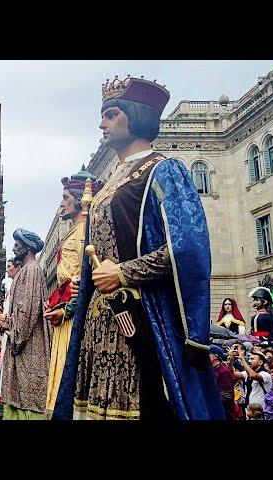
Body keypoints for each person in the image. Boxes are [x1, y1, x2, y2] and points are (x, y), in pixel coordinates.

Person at [54, 75, 224, 420]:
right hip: (98, 324)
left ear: (136, 116)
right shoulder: (107, 185)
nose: (101, 123)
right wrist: (83, 285)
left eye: (111, 114)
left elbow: (188, 247)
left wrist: (123, 272)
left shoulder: (164, 170)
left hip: (140, 317)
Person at [43, 167, 101, 419]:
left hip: (75, 316)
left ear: (79, 200)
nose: (62, 203)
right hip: (64, 315)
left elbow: (82, 278)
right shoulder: (74, 232)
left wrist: (66, 308)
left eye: (66, 198)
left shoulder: (87, 233)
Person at [0, 228, 51, 419]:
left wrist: (13, 331)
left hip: (28, 344)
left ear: (28, 248)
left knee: (28, 396)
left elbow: (27, 310)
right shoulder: (27, 270)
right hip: (21, 339)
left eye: (17, 245)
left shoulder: (32, 270)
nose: (13, 248)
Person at [0, 258, 21, 404]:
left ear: (18, 267)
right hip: (6, 330)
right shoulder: (11, 287)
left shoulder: (18, 286)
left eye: (9, 266)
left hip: (11, 328)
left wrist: (5, 319)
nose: (7, 269)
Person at [228, 348, 272, 414]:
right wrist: (231, 360)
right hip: (248, 409)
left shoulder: (265, 374)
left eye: (252, 359)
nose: (249, 361)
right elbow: (232, 374)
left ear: (260, 362)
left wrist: (242, 359)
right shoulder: (247, 373)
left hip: (261, 410)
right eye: (249, 358)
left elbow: (253, 375)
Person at [209, 345, 235, 420]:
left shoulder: (223, 371)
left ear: (215, 356)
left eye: (207, 354)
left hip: (224, 412)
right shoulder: (212, 370)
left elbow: (227, 395)